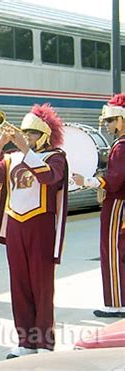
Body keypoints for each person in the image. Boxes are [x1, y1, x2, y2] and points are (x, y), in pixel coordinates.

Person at [0, 104, 68, 358]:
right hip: (16, 225)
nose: (26, 137)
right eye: (25, 133)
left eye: (32, 133)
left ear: (43, 135)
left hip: (40, 225)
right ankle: (25, 341)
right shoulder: (12, 157)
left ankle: (43, 342)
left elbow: (48, 177)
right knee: (18, 285)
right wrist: (0, 144)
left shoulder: (56, 156)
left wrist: (24, 148)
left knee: (41, 287)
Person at [73, 93, 125, 318]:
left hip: (117, 205)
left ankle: (116, 302)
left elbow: (115, 179)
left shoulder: (122, 146)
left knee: (112, 251)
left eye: (112, 120)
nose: (108, 125)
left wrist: (87, 181)